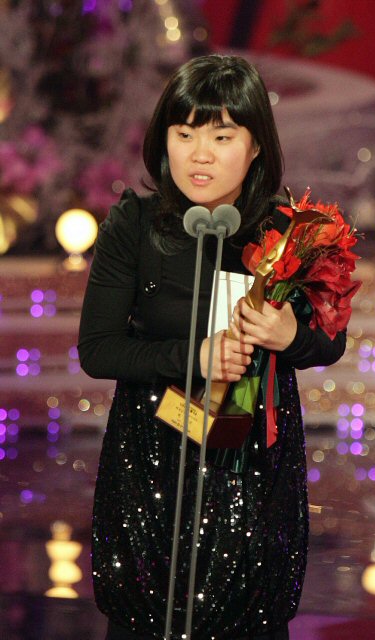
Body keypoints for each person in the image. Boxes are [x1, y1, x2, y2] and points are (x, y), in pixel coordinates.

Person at [78, 54, 347, 640]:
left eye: (221, 136)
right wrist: (193, 357)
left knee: (250, 613)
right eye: (184, 134)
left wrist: (290, 337)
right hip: (150, 458)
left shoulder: (290, 233)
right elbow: (97, 350)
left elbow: (331, 342)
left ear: (255, 146)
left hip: (253, 471)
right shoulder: (134, 224)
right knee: (145, 613)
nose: (199, 154)